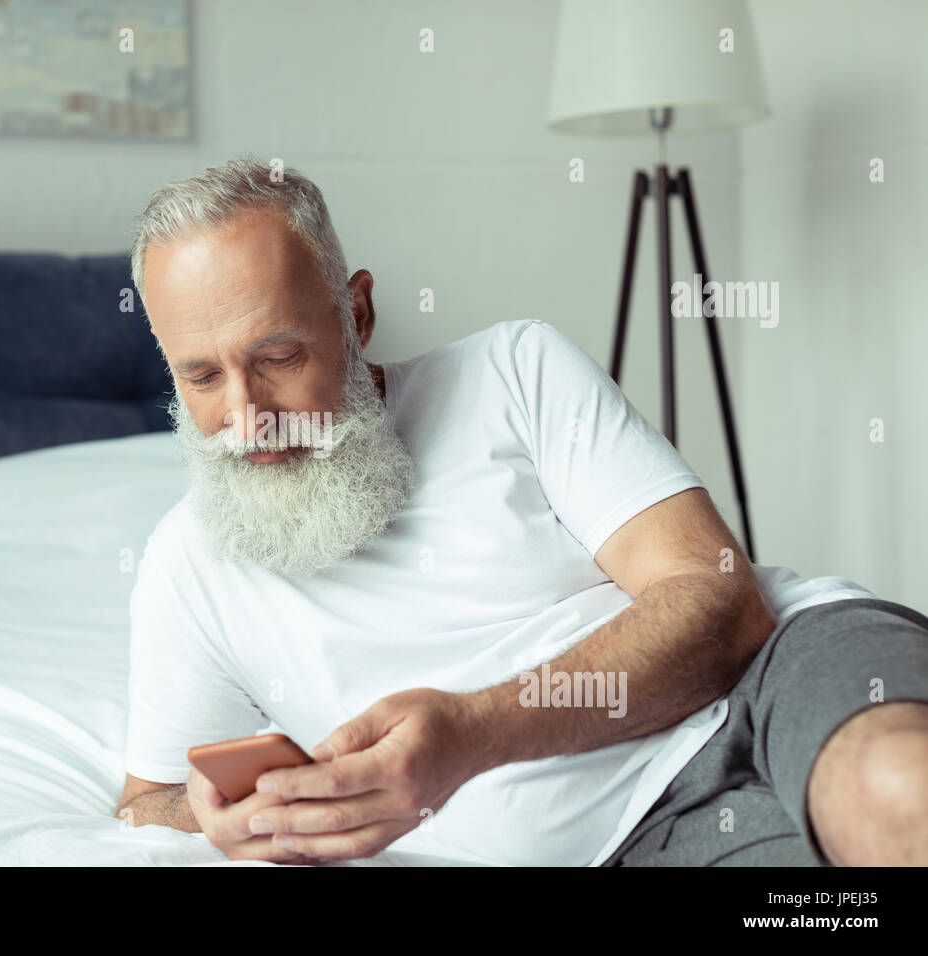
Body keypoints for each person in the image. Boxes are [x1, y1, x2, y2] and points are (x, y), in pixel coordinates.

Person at [115, 154, 928, 866]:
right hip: (647, 836)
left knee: (897, 792)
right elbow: (146, 802)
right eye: (203, 377)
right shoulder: (187, 566)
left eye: (279, 356)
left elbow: (722, 599)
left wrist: (473, 731)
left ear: (357, 315)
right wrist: (214, 816)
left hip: (780, 664)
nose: (249, 413)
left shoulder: (513, 371)